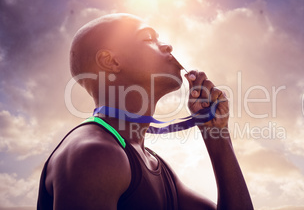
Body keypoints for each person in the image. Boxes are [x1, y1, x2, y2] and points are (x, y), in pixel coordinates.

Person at [37, 13, 253, 210]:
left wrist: (216, 134)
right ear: (111, 61)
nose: (168, 46)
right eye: (149, 38)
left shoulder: (153, 164)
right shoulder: (95, 155)